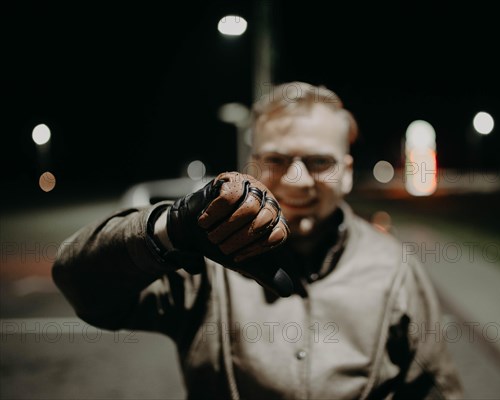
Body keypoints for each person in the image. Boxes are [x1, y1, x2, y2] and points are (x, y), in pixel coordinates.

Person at [53, 81, 463, 399]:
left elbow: (435, 389)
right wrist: (169, 228)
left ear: (348, 170)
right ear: (252, 165)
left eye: (319, 162)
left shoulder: (392, 267)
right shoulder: (205, 259)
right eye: (277, 160)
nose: (297, 180)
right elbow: (82, 285)